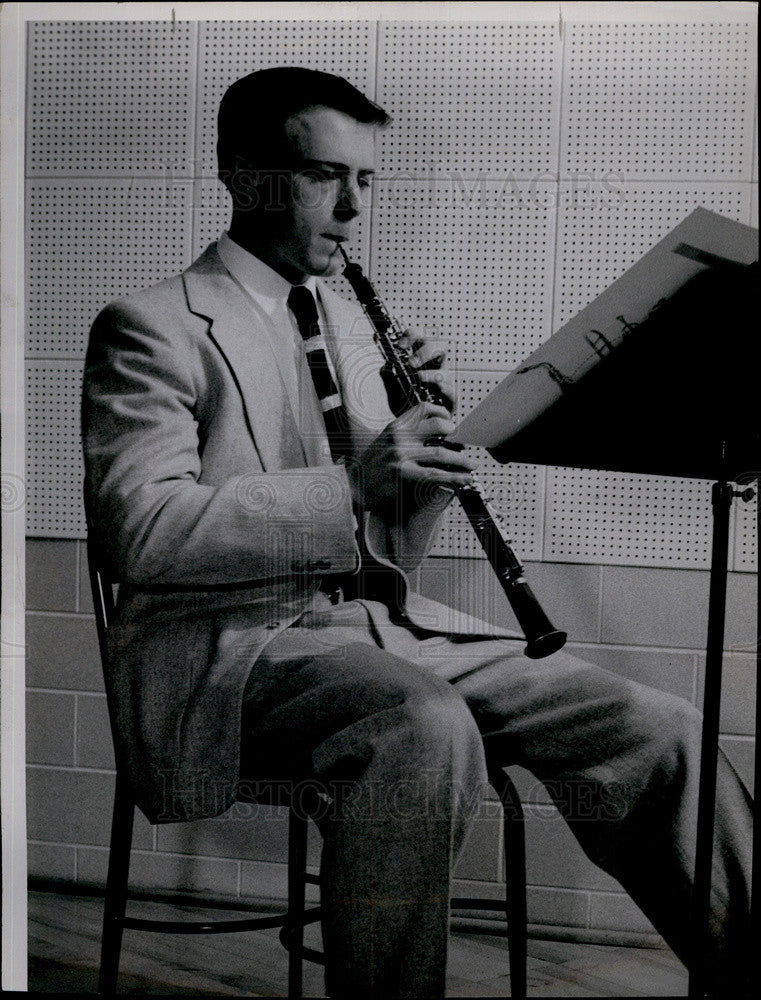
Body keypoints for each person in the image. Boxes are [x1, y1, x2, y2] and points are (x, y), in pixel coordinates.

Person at [82, 67, 752, 998]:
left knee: (659, 729)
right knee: (420, 725)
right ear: (244, 177)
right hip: (227, 647)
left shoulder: (357, 326)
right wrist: (353, 478)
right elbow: (140, 535)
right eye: (325, 177)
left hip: (374, 628)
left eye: (368, 181)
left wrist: (422, 465)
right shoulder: (150, 327)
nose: (354, 210)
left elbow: (384, 551)